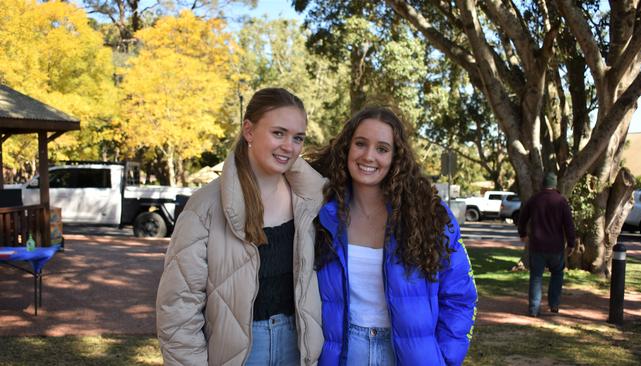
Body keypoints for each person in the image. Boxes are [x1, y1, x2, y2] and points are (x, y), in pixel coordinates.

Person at [156, 88, 325, 366]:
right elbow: (179, 307)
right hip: (238, 353)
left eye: (298, 138)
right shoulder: (205, 206)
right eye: (278, 133)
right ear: (249, 130)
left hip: (298, 346)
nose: (289, 146)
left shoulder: (311, 200)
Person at [307, 107, 478, 366]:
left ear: (396, 157)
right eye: (360, 144)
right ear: (346, 148)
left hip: (410, 356)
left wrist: (444, 357)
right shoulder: (321, 212)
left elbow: (460, 294)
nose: (369, 156)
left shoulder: (429, 213)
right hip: (343, 352)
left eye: (382, 149)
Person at [518, 172, 576, 317]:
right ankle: (554, 304)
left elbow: (522, 218)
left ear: (542, 184)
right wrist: (571, 243)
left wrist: (523, 234)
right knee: (557, 274)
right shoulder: (561, 201)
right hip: (556, 247)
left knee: (536, 277)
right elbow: (569, 225)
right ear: (555, 185)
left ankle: (533, 309)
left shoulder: (534, 199)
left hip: (537, 246)